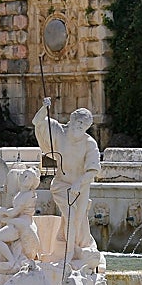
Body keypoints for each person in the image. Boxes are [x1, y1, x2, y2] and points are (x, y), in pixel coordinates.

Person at [32, 97, 100, 262]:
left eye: (84, 126)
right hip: (61, 184)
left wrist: (79, 183)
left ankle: (69, 247)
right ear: (72, 119)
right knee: (71, 214)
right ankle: (67, 255)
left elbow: (93, 171)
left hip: (81, 186)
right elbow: (37, 122)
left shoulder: (89, 143)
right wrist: (44, 108)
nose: (79, 127)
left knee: (78, 219)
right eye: (78, 122)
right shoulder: (58, 131)